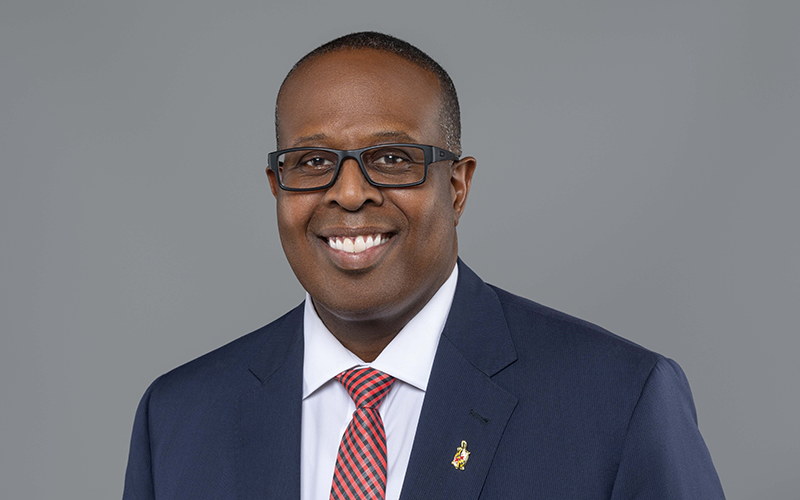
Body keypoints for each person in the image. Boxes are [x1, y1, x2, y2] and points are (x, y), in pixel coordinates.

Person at [123, 31, 725, 500]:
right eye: (311, 162)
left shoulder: (617, 402)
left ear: (457, 187)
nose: (350, 193)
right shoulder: (180, 416)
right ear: (277, 188)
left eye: (391, 158)